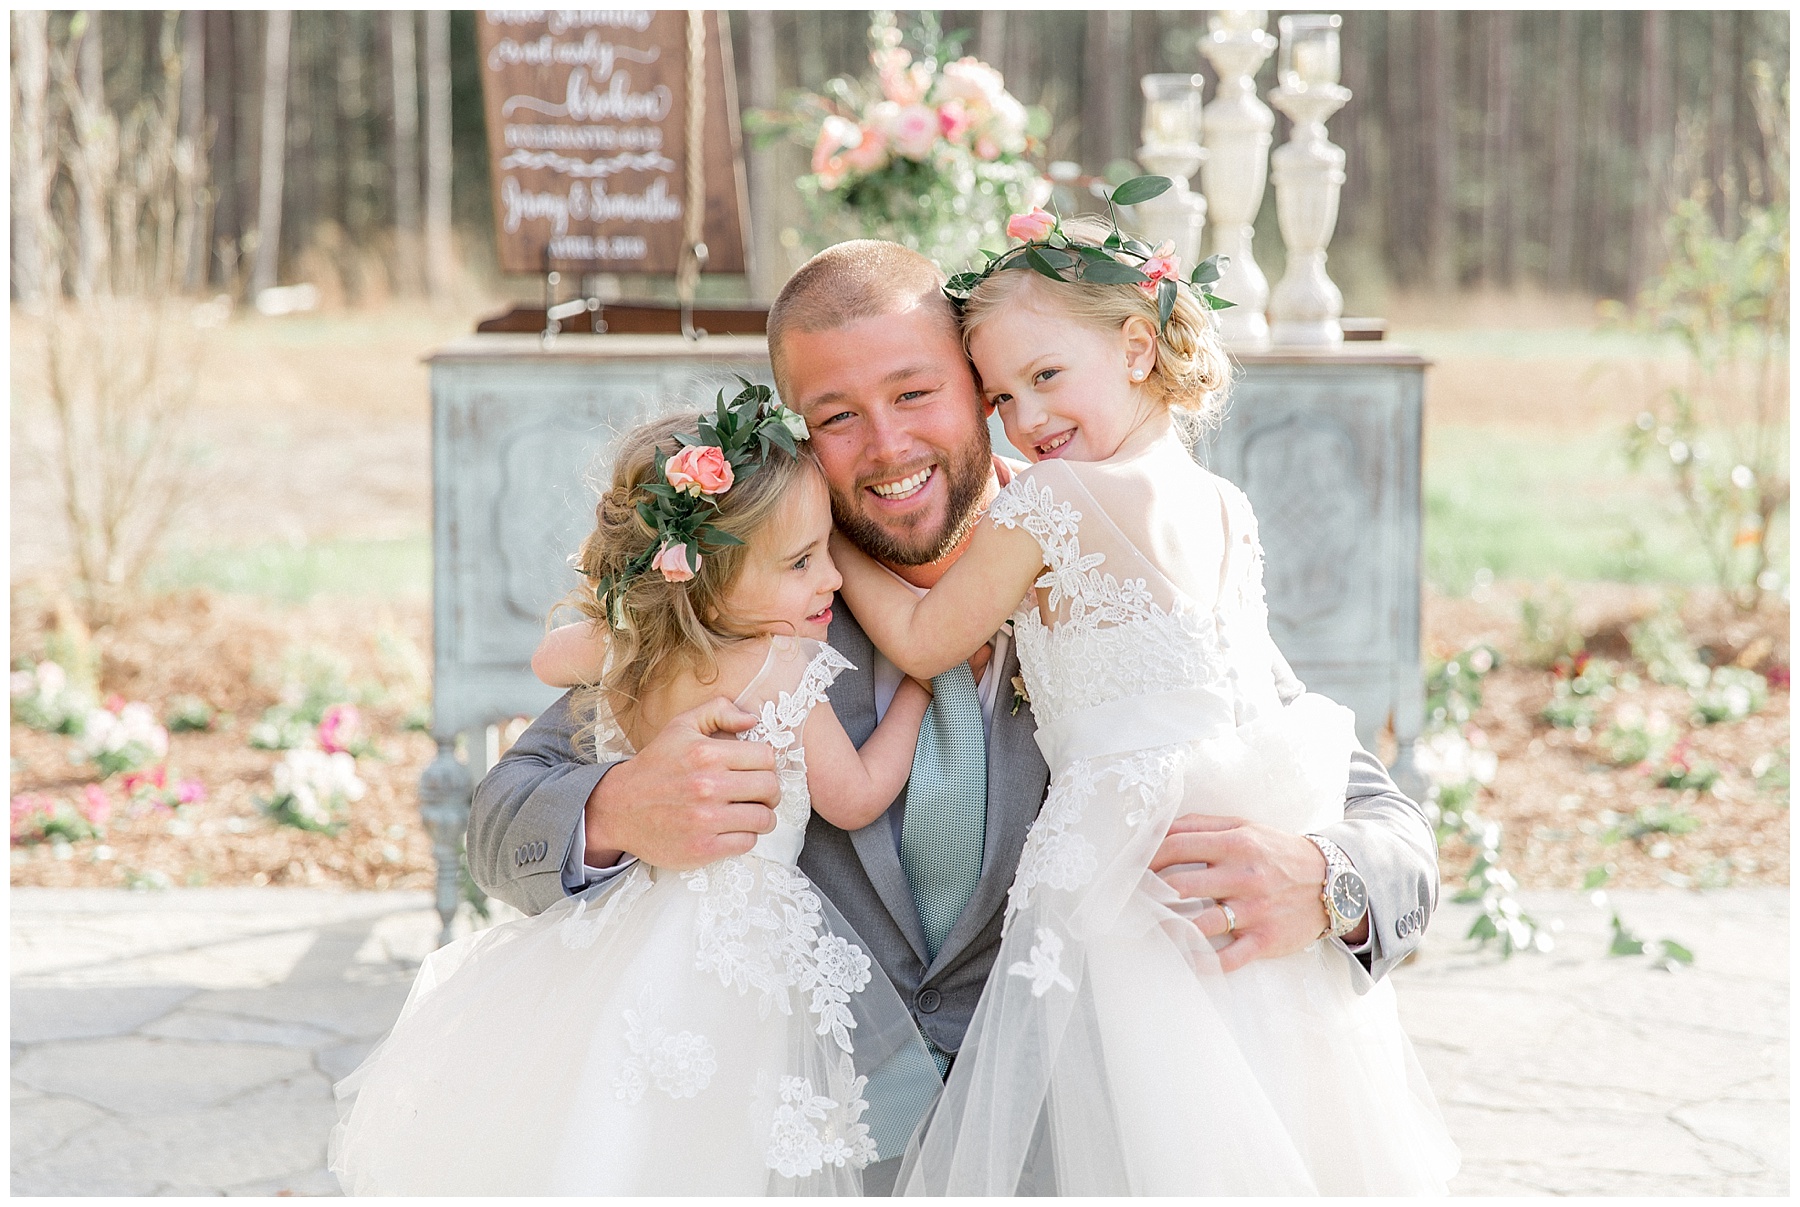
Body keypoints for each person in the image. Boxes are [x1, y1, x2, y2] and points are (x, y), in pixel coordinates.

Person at [469, 226, 1443, 1194]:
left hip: (1077, 1145)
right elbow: (503, 815)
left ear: (984, 392)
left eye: (916, 393)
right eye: (838, 415)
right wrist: (618, 812)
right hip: (804, 1137)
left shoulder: (1112, 562)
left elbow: (1383, 825)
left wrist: (1327, 885)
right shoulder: (752, 606)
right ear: (800, 434)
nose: (889, 445)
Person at [828, 204, 1459, 1193]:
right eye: (1000, 399)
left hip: (1126, 875)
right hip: (1228, 866)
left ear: (1133, 346)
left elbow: (917, 635)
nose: (1026, 422)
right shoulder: (1223, 506)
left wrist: (821, 541)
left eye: (1045, 378)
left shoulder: (1050, 502)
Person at [330, 392, 943, 1194]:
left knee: (611, 1125)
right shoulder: (783, 666)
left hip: (627, 942)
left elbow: (554, 654)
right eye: (801, 562)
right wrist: (921, 691)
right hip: (744, 956)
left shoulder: (636, 656)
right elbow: (856, 794)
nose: (831, 575)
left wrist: (654, 618)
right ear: (710, 580)